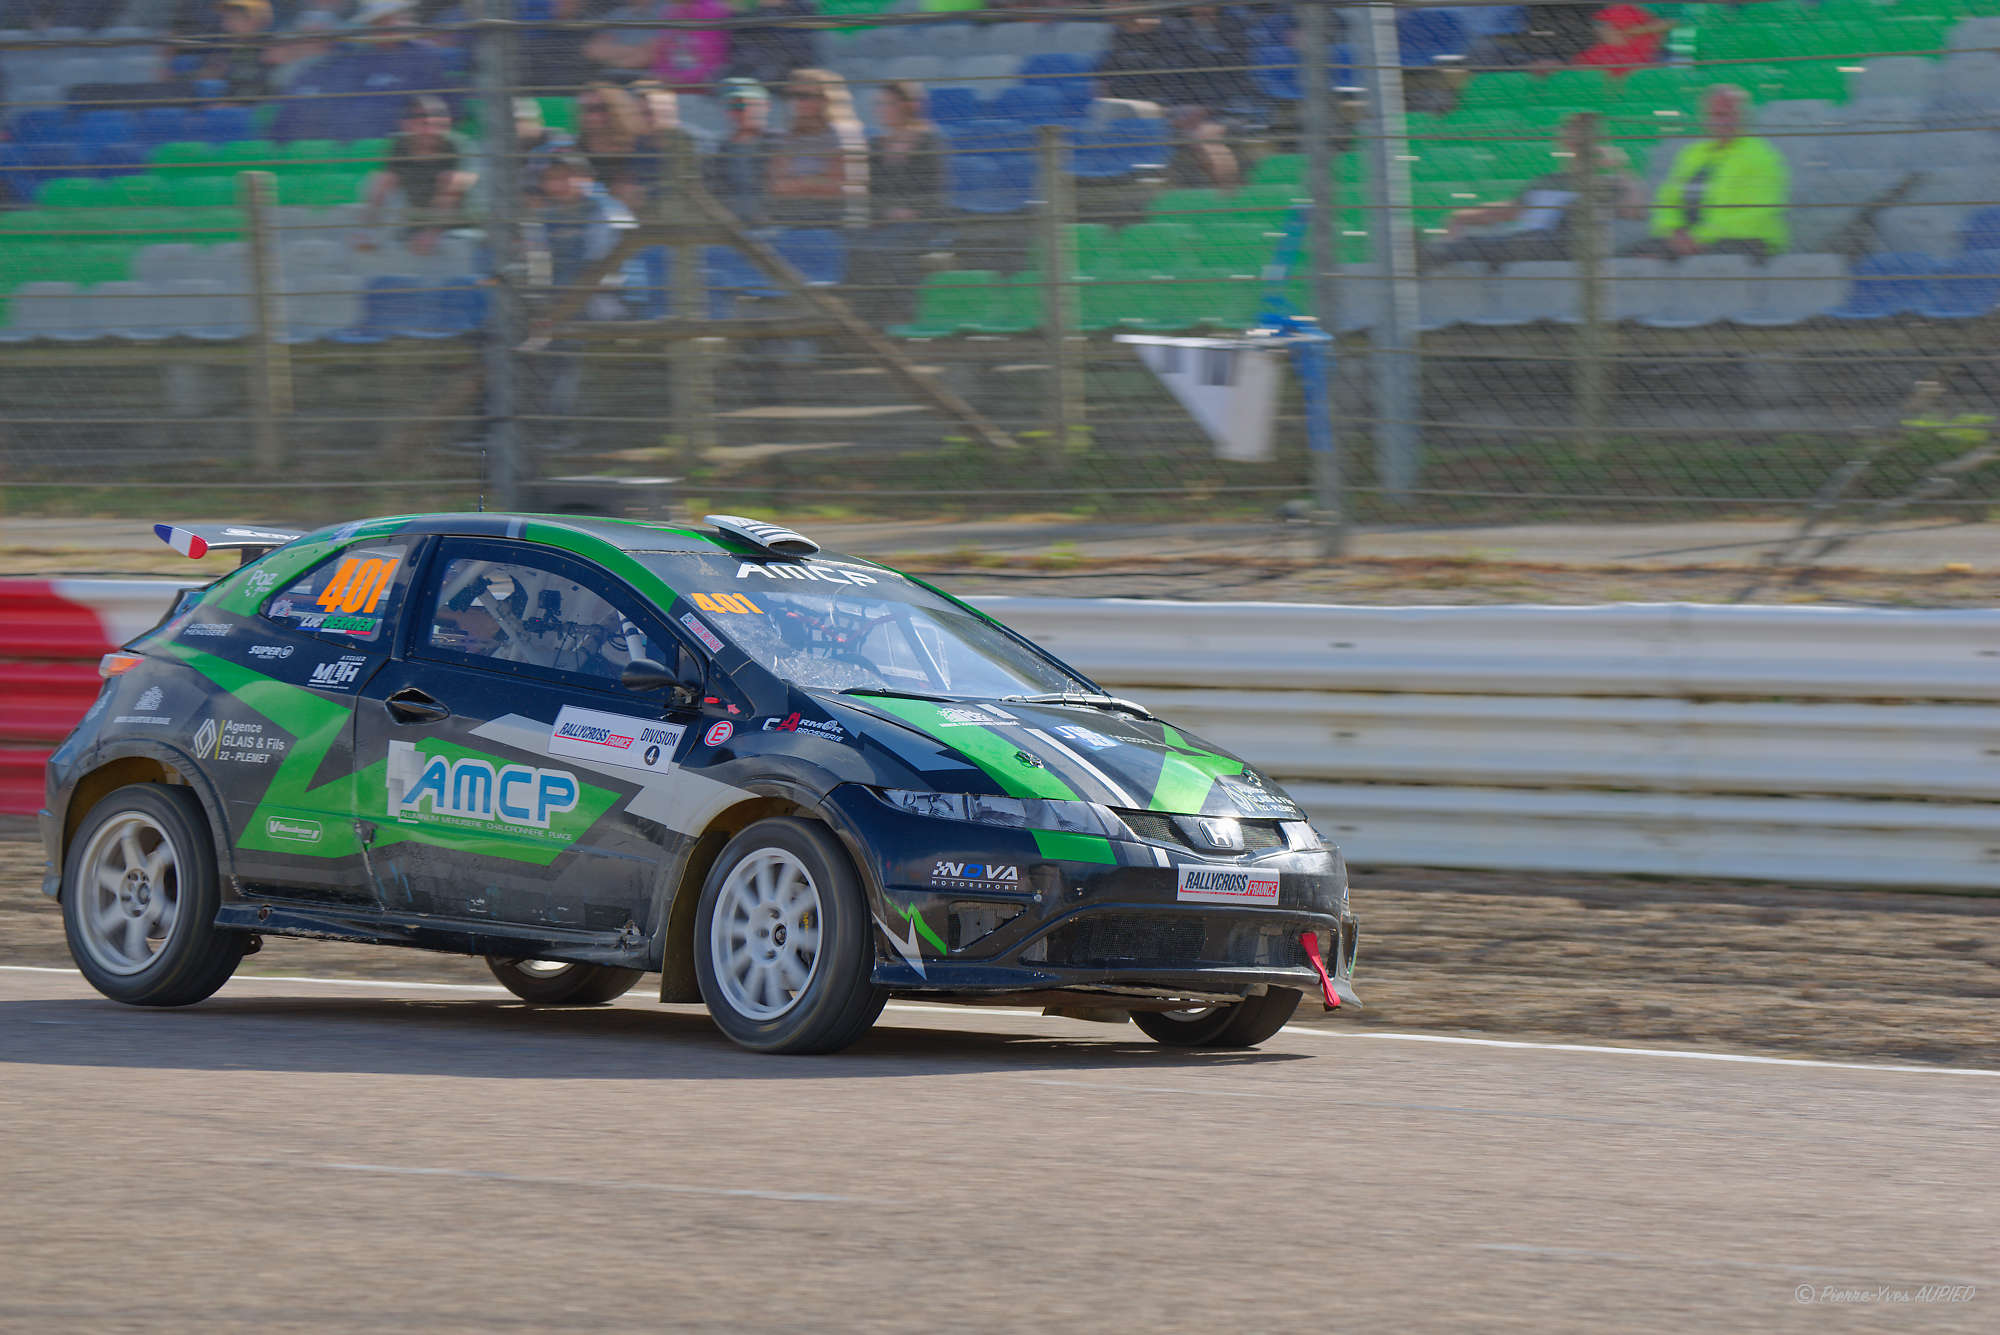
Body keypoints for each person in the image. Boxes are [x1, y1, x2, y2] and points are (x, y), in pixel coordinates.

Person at [1422, 113, 1645, 270]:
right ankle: (1432, 253)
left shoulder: (1608, 182)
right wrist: (1461, 216)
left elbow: (1634, 211)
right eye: (1572, 136)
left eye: (1583, 138)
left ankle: (1433, 254)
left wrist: (1619, 167)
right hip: (1531, 242)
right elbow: (1510, 211)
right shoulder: (1546, 181)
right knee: (1498, 242)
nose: (1576, 144)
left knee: (1527, 236)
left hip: (1567, 244)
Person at [522, 149, 635, 452]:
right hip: (561, 303)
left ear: (588, 179)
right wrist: (542, 305)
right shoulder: (545, 216)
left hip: (610, 301)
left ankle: (561, 430)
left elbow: (595, 271)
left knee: (562, 343)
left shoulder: (604, 210)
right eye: (552, 177)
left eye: (569, 175)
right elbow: (537, 266)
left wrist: (554, 311)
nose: (561, 183)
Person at [1628, 84, 1789, 262]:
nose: (1721, 122)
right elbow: (1668, 199)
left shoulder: (1761, 156)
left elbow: (1756, 214)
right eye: (1715, 115)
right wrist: (1673, 231)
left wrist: (1698, 237)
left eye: (1728, 115)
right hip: (1689, 240)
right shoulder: (1691, 154)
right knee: (1634, 256)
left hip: (1745, 240)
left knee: (1712, 261)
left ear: (1743, 117)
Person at [858, 80, 945, 321]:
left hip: (922, 222)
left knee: (884, 249)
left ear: (907, 106)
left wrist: (907, 212)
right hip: (885, 222)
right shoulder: (875, 146)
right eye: (878, 104)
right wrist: (885, 214)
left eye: (887, 103)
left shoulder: (929, 143)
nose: (880, 109)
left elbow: (934, 194)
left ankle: (908, 315)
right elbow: (870, 193)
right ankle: (867, 319)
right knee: (854, 246)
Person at [359, 94, 477, 256]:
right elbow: (385, 184)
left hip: (458, 227)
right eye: (422, 123)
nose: (430, 130)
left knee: (451, 180)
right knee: (380, 179)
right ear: (406, 124)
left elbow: (454, 190)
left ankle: (428, 234)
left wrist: (431, 233)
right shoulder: (400, 145)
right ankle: (368, 232)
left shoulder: (455, 145)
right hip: (416, 223)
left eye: (437, 122)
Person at [767, 67, 868, 229]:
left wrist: (796, 184)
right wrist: (816, 181)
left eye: (804, 96)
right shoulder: (787, 138)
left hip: (835, 221)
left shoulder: (845, 134)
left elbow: (837, 188)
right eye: (792, 96)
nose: (796, 102)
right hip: (792, 219)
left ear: (825, 99)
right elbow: (777, 187)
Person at [703, 75, 776, 226]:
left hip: (776, 227)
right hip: (730, 231)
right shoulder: (717, 151)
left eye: (748, 104)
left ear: (766, 105)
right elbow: (711, 194)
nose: (740, 112)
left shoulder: (781, 145)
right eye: (733, 107)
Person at [576, 81, 657, 212]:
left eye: (600, 108)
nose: (591, 116)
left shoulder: (641, 147)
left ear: (617, 109)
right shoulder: (575, 149)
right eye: (585, 109)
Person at [726, 0, 815, 91]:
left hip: (788, 81)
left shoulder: (803, 9)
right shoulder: (746, 15)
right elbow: (742, 54)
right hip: (755, 81)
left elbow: (802, 54)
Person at [1573, 3, 1668, 74]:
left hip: (1638, 53)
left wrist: (1627, 33)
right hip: (1610, 51)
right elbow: (1599, 25)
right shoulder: (1613, 10)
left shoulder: (1647, 15)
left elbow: (1658, 37)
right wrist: (1609, 34)